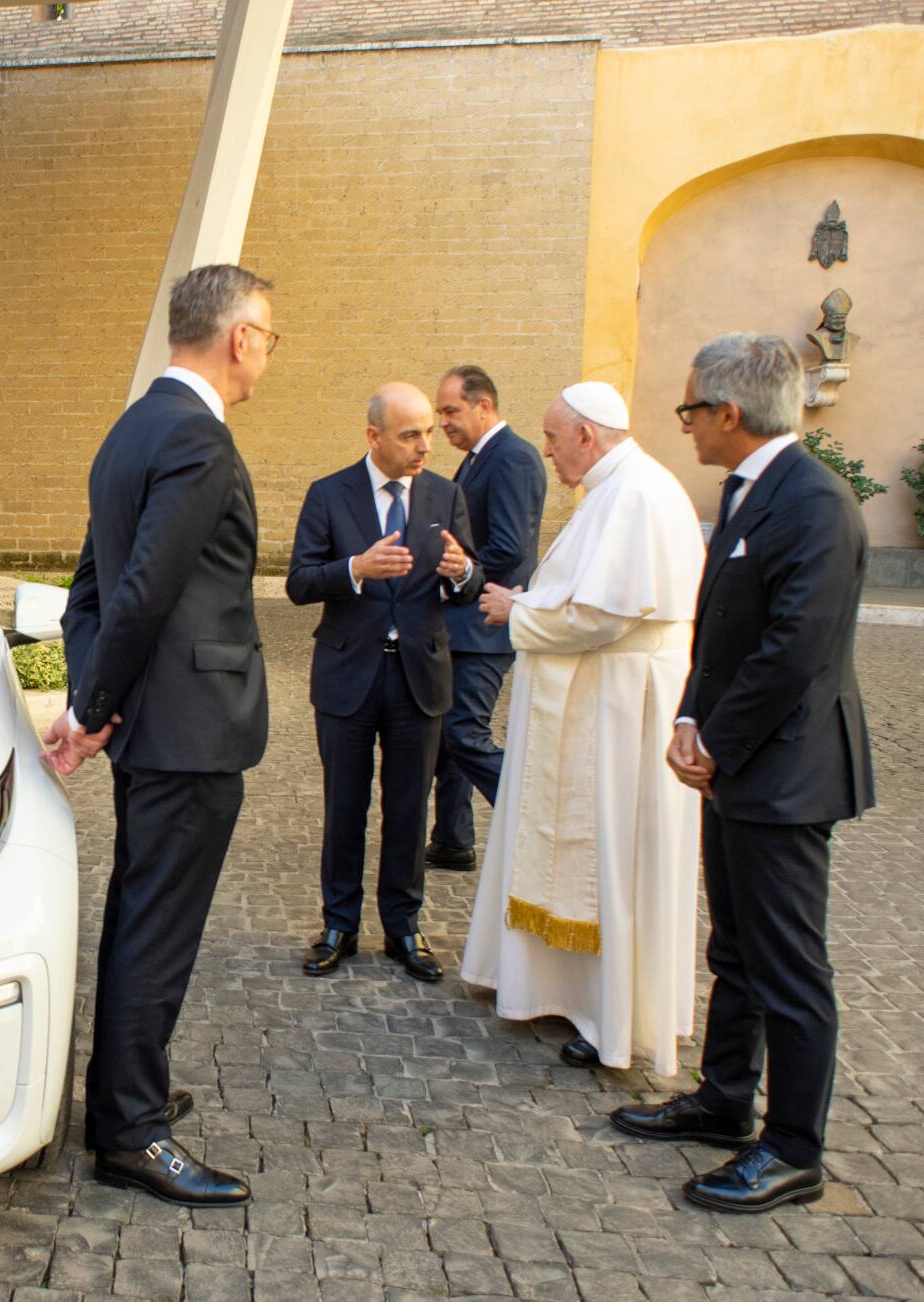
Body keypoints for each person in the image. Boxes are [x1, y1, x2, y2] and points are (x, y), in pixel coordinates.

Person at [610, 333, 874, 1215]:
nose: (683, 426)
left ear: (727, 412)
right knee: (735, 948)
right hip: (737, 763)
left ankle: (794, 1146)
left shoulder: (814, 503)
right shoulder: (750, 493)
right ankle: (727, 1099)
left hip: (785, 770)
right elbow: (719, 629)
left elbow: (792, 649)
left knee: (788, 962)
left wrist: (715, 739)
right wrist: (690, 717)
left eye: (689, 410)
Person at [43, 263, 274, 1208]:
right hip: (188, 732)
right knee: (156, 929)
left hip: (157, 726)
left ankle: (122, 1098)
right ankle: (130, 1132)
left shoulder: (129, 432)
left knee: (143, 916)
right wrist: (93, 711)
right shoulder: (197, 440)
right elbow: (138, 592)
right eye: (270, 334)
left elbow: (89, 595)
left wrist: (94, 700)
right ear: (239, 338)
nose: (268, 352)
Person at [458, 382, 703, 1074]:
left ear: (588, 435)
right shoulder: (616, 489)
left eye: (554, 436)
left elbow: (603, 616)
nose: (548, 450)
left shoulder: (634, 494)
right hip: (598, 694)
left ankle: (610, 1012)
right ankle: (560, 987)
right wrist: (533, 604)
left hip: (620, 708)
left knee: (610, 852)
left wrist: (518, 611)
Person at [287, 382, 483, 983]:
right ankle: (339, 924)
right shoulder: (328, 494)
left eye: (428, 431)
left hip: (419, 676)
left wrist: (462, 572)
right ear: (374, 437)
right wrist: (355, 569)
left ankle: (402, 925)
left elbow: (471, 580)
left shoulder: (446, 495)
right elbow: (298, 582)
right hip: (349, 674)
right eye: (411, 435)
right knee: (345, 806)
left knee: (406, 807)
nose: (426, 445)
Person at [427, 366, 548, 872]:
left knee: (464, 733)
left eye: (450, 411)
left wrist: (451, 572)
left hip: (485, 624)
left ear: (484, 406)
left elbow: (508, 546)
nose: (444, 423)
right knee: (446, 741)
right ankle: (453, 841)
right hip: (464, 622)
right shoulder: (479, 459)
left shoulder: (513, 458)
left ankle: (535, 826)